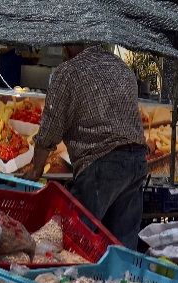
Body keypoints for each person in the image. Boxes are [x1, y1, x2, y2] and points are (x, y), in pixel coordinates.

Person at [27, 44, 148, 248]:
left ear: (68, 48)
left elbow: (50, 128)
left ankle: (67, 278)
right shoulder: (122, 68)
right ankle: (121, 280)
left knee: (73, 240)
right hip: (136, 161)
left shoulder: (68, 72)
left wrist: (36, 169)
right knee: (121, 247)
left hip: (101, 162)